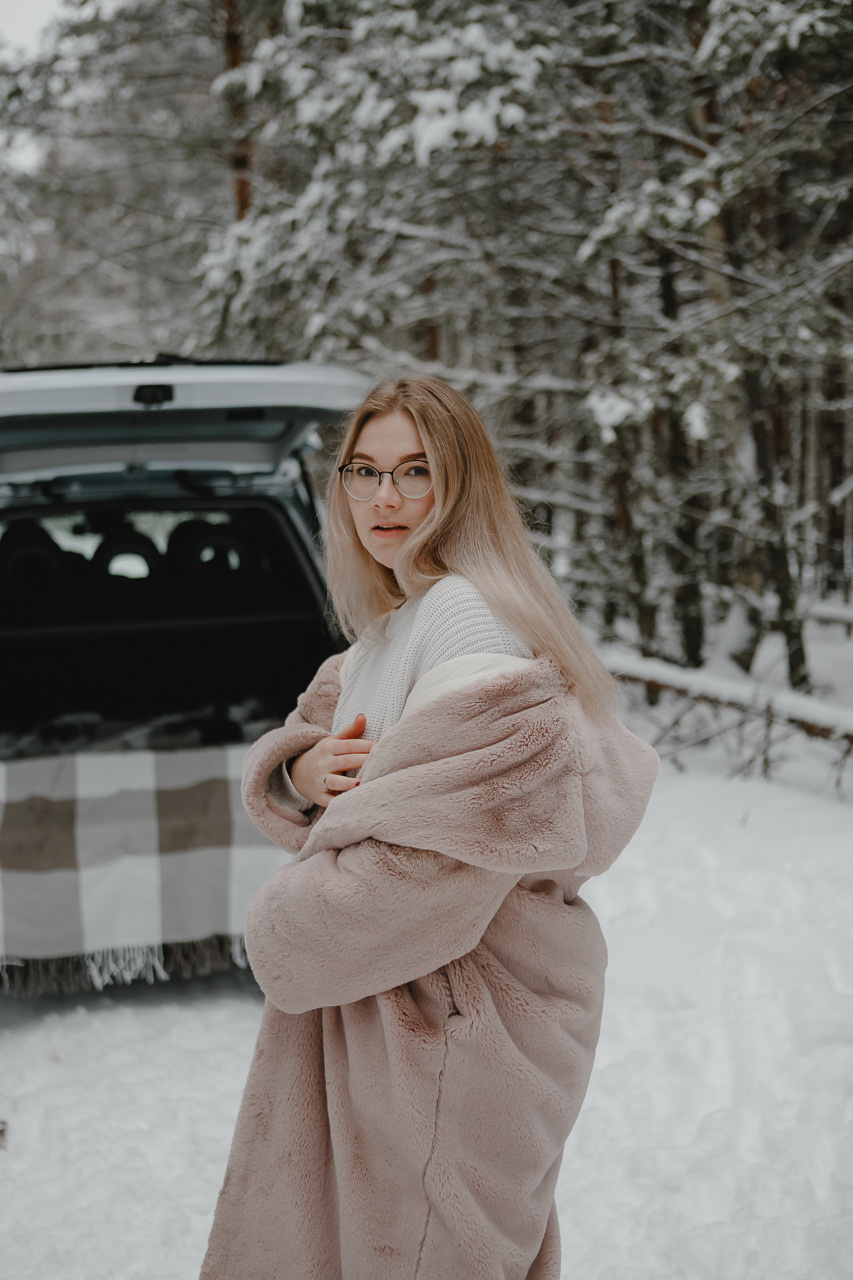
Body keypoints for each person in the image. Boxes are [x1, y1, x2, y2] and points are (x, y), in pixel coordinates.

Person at [199, 376, 659, 1280]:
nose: (385, 497)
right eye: (363, 470)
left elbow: (431, 861)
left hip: (445, 1027)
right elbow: (327, 734)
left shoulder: (465, 619)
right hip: (404, 1013)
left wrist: (283, 927)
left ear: (463, 485)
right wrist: (296, 769)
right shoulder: (390, 629)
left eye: (415, 471)